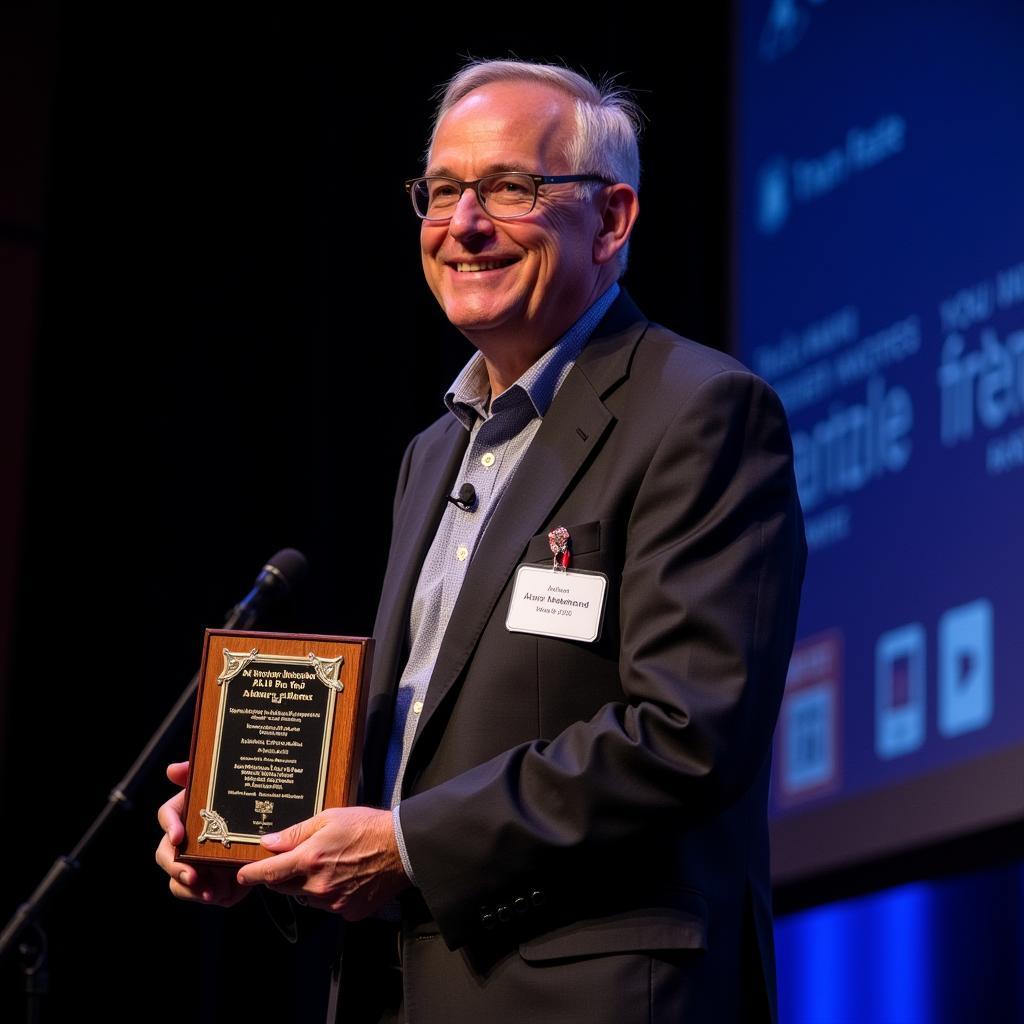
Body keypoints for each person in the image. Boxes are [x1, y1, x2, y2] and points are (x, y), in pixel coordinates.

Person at [156, 59, 806, 1023]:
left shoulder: (700, 413)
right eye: (444, 191)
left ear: (613, 218)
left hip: (597, 996)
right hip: (406, 989)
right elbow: (418, 753)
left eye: (509, 188)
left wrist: (408, 847)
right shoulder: (435, 452)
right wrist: (258, 842)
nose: (463, 224)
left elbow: (685, 735)